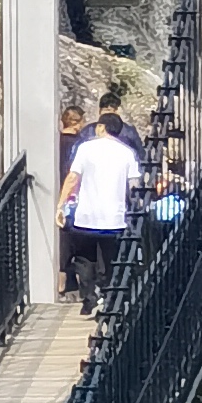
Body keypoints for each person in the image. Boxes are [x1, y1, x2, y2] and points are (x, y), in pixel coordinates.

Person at [62, 99, 139, 309]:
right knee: (109, 259)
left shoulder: (85, 148)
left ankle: (88, 297)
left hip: (86, 215)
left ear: (101, 127)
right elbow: (134, 186)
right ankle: (109, 296)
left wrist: (61, 205)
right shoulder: (127, 153)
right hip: (114, 218)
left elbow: (73, 178)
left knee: (84, 258)